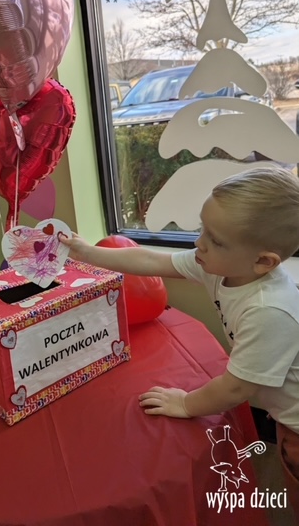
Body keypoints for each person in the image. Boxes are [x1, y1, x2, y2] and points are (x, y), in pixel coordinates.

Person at [61, 167, 299, 517]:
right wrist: (87, 254)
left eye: (215, 240)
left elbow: (236, 388)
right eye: (202, 228)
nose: (199, 243)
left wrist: (186, 404)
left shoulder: (269, 311)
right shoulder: (221, 266)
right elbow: (149, 259)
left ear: (263, 262)